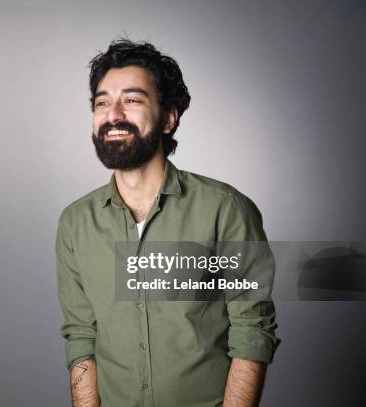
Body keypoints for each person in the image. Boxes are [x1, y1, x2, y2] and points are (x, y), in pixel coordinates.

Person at [55, 39, 280, 407]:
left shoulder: (226, 210)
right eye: (101, 102)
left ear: (168, 117)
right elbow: (81, 336)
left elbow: (252, 328)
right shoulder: (75, 224)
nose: (113, 114)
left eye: (131, 99)